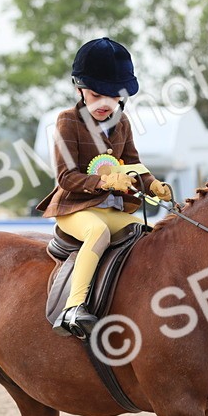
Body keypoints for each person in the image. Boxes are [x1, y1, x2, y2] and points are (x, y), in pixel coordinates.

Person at [36, 36, 172, 338]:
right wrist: (105, 181)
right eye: (96, 95)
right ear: (79, 89)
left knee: (149, 235)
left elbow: (134, 164)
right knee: (97, 233)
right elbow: (65, 178)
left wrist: (153, 185)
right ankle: (73, 308)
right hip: (74, 208)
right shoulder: (67, 121)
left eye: (113, 97)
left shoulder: (122, 123)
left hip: (112, 209)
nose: (104, 104)